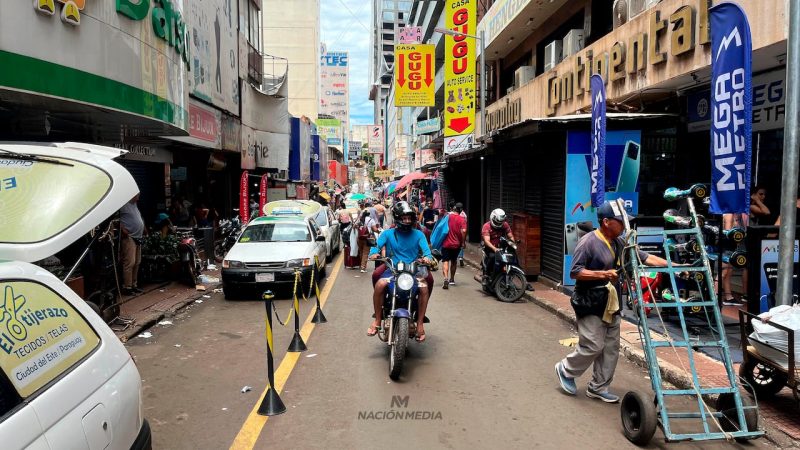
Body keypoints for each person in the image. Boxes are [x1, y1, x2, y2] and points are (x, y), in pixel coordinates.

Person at [555, 201, 671, 403]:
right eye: (620, 222)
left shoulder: (620, 242)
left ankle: (598, 387)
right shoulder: (588, 242)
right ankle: (566, 369)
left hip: (612, 302)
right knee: (593, 345)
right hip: (590, 302)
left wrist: (675, 266)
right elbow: (575, 272)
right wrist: (603, 274)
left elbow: (645, 258)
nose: (624, 226)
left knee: (610, 348)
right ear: (607, 222)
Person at [367, 201, 433, 343]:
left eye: (409, 218)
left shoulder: (419, 234)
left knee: (424, 287)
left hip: (413, 272)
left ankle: (420, 323)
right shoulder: (387, 233)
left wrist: (427, 258)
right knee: (379, 283)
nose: (407, 221)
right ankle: (377, 319)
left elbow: (427, 252)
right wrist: (373, 253)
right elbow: (376, 247)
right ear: (397, 218)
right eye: (404, 218)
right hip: (393, 270)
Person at [119, 194, 145, 296]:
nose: (138, 196)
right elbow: (115, 219)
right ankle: (127, 287)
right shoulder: (123, 205)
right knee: (130, 262)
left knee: (137, 262)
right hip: (129, 237)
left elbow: (139, 218)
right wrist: (123, 229)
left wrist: (144, 228)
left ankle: (134, 285)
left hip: (138, 237)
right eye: (137, 194)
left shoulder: (135, 205)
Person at [480, 209, 515, 279]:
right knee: (492, 257)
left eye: (500, 222)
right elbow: (487, 241)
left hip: (502, 247)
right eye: (497, 222)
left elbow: (511, 236)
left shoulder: (505, 225)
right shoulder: (486, 226)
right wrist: (495, 249)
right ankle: (487, 274)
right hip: (490, 248)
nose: (499, 224)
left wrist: (513, 244)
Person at [441, 203, 467, 289]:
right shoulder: (462, 219)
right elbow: (463, 231)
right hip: (456, 244)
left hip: (446, 243)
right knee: (454, 261)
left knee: (445, 261)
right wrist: (463, 242)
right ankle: (452, 279)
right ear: (460, 210)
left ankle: (445, 278)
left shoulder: (447, 217)